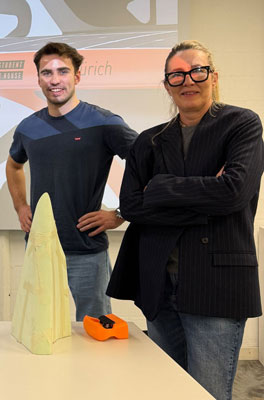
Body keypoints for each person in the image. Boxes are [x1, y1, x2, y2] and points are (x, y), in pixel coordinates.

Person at [108, 40, 263, 400]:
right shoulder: (149, 141)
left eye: (197, 71)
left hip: (216, 284)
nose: (188, 80)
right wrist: (208, 196)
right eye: (176, 74)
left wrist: (159, 188)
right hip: (158, 282)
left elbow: (233, 193)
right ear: (166, 85)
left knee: (207, 393)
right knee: (165, 390)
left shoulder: (241, 124)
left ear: (213, 77)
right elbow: (131, 206)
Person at [6, 42, 137, 321]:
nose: (55, 80)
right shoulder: (28, 127)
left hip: (86, 250)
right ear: (38, 79)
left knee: (94, 328)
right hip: (40, 247)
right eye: (47, 73)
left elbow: (147, 165)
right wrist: (20, 206)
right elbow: (14, 165)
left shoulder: (104, 122)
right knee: (41, 328)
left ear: (77, 76)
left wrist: (121, 214)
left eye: (63, 71)